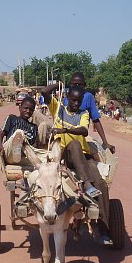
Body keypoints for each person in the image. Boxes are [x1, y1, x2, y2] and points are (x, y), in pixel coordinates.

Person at [42, 84, 111, 243]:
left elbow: (83, 131)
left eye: (79, 101)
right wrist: (59, 84)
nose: (75, 104)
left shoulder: (83, 113)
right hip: (64, 156)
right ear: (67, 98)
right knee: (73, 144)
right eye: (73, 100)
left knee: (101, 183)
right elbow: (45, 92)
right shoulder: (58, 108)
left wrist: (65, 130)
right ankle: (86, 184)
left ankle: (104, 229)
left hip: (83, 158)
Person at [63, 72, 116, 154]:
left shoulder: (88, 97)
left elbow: (95, 119)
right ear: (70, 84)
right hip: (65, 136)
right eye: (74, 84)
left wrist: (105, 142)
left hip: (80, 136)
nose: (77, 86)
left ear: (84, 85)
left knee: (95, 159)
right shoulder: (66, 98)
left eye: (80, 84)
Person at [0, 96, 38, 165]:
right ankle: (16, 152)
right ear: (20, 108)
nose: (28, 111)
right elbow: (1, 134)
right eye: (26, 108)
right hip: (10, 154)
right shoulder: (12, 119)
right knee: (19, 133)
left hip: (25, 156)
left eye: (31, 109)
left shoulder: (34, 127)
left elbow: (34, 146)